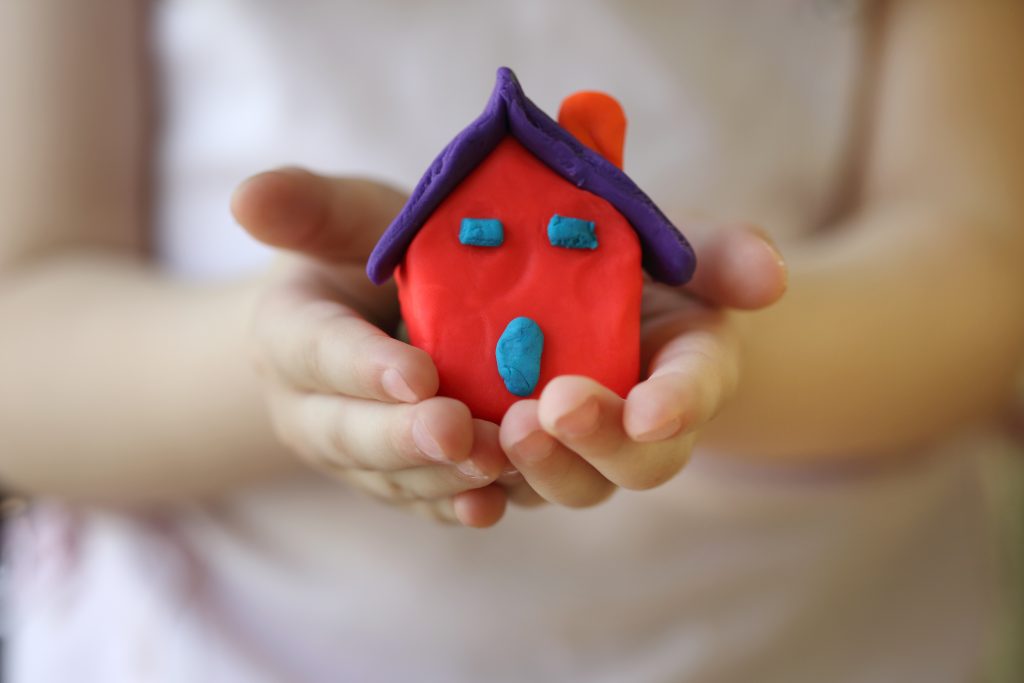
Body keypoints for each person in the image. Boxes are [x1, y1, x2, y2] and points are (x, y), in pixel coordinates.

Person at [1, 0, 1022, 681]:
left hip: (808, 640)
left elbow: (984, 273)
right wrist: (282, 375)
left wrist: (710, 363)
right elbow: (24, 341)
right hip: (215, 645)